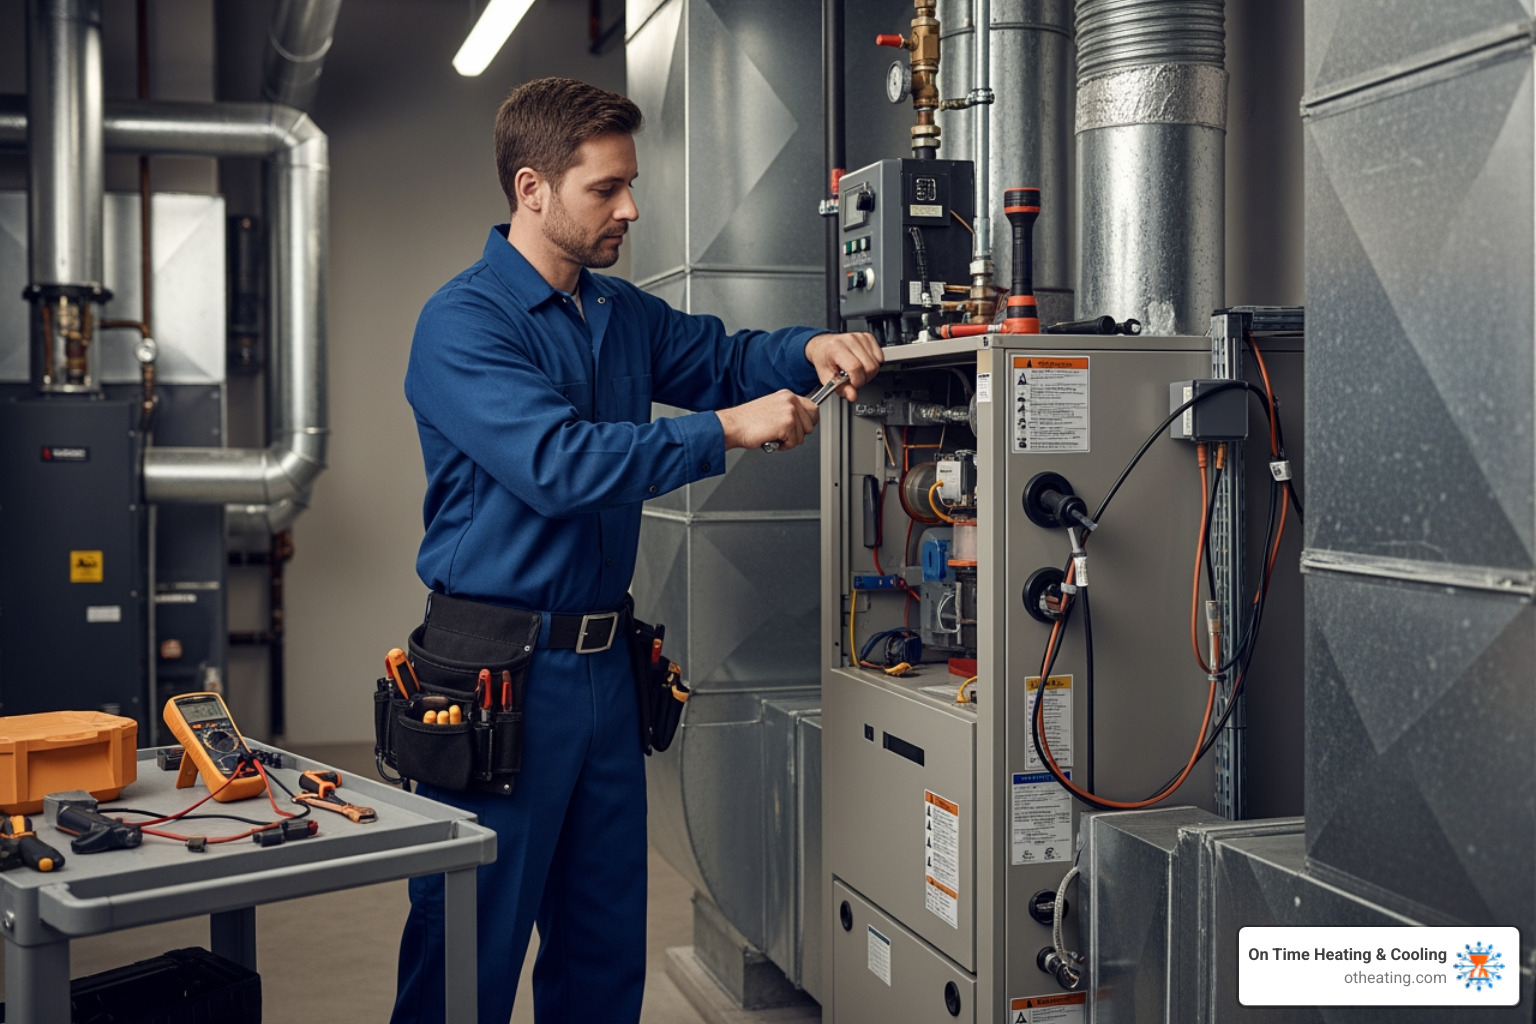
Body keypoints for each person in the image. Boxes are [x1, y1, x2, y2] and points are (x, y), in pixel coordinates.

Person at [390, 77, 882, 1023]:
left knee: (603, 943)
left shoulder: (617, 311)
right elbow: (556, 463)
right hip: (496, 674)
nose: (631, 207)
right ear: (532, 189)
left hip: (604, 670)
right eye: (605, 189)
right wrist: (727, 432)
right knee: (469, 951)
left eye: (631, 184)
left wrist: (812, 345)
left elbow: (724, 358)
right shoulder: (462, 324)